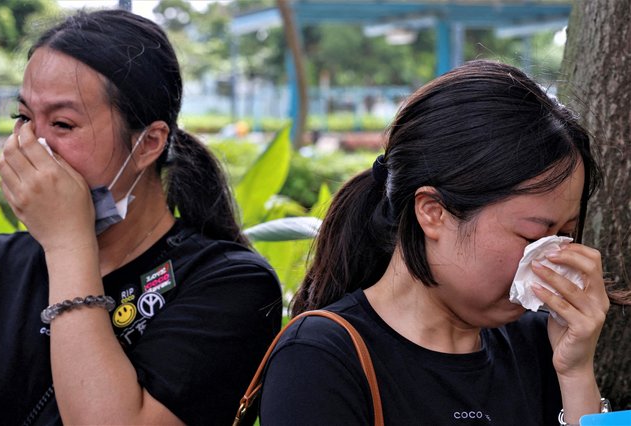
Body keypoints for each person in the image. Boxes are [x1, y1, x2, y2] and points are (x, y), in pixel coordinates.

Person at [259, 60, 611, 425]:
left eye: (565, 236)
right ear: (433, 213)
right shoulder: (320, 357)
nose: (551, 259)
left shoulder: (541, 343)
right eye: (533, 236)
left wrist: (576, 374)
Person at [0, 9, 281, 425]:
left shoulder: (231, 285)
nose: (31, 147)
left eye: (62, 123)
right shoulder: (3, 264)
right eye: (22, 118)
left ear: (148, 144)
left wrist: (68, 243)